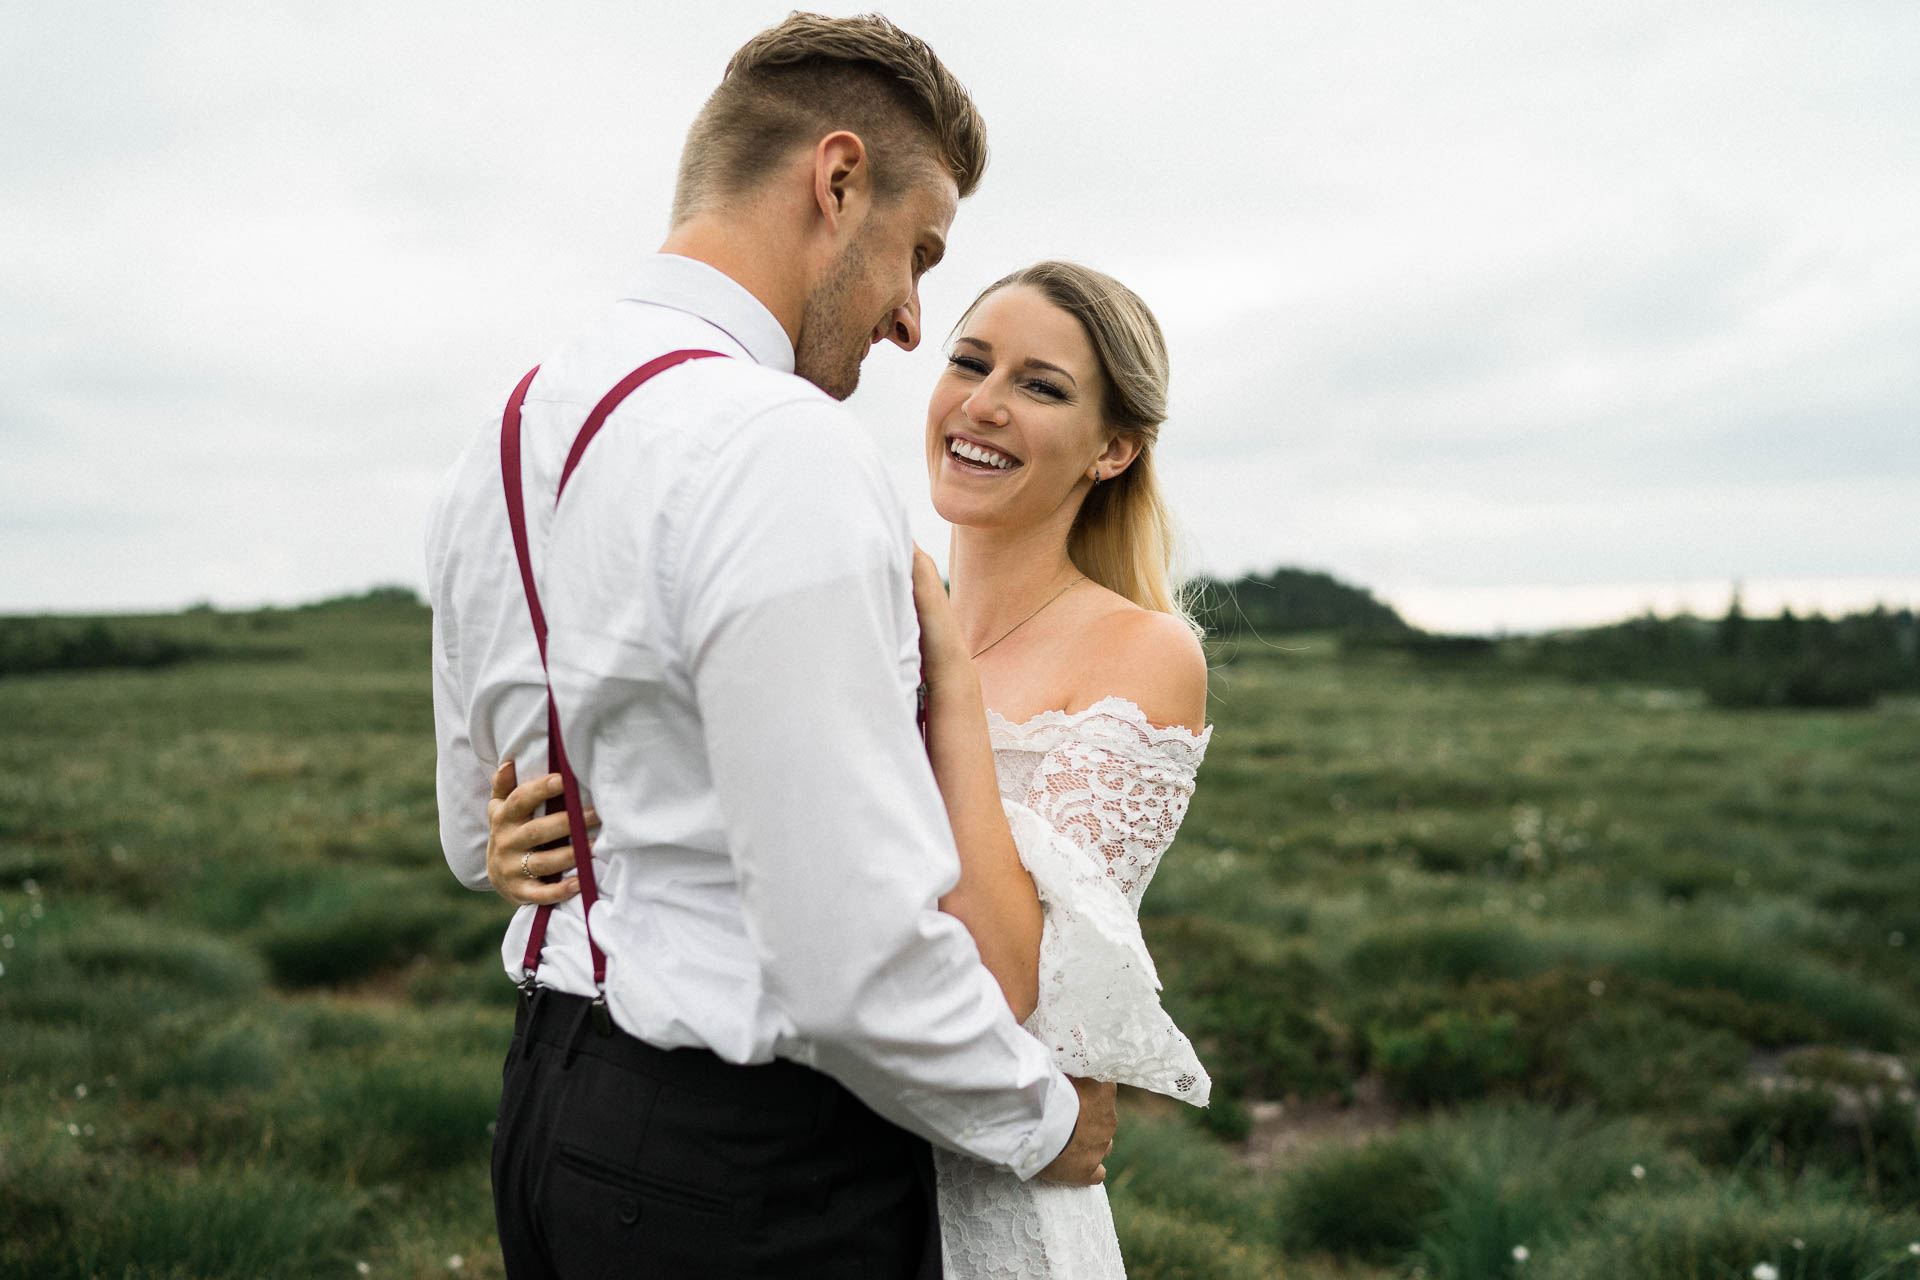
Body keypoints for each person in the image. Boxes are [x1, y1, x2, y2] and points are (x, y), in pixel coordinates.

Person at [426, 14, 1114, 1279]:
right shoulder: (777, 442)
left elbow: (477, 839)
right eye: (918, 252)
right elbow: (847, 954)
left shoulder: (511, 424)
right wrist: (1046, 1121)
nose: (915, 318)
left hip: (543, 1114)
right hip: (747, 1170)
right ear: (836, 178)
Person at [489, 261, 1214, 1276]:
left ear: (1114, 448)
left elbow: (1013, 977)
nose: (985, 403)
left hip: (990, 1169)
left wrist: (951, 689)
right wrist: (547, 838)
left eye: (1040, 385)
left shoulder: (1144, 651)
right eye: (971, 362)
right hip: (803, 1151)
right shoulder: (870, 595)